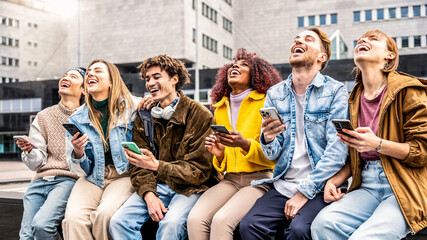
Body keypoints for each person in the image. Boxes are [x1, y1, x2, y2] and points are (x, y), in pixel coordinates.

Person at [311, 30, 427, 239]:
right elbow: (356, 153)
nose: (363, 40)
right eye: (361, 39)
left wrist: (378, 144)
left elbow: (422, 152)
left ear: (389, 55)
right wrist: (335, 180)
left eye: (373, 39)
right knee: (323, 225)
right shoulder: (353, 97)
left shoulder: (409, 90)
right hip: (367, 184)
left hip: (405, 184)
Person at [239, 27, 349, 240]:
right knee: (250, 225)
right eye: (296, 39)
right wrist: (268, 138)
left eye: (308, 39)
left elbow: (337, 152)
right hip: (283, 183)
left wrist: (304, 192)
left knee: (299, 230)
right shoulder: (275, 93)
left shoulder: (335, 91)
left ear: (322, 57)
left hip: (321, 184)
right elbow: (272, 154)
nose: (298, 41)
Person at [109, 54, 216, 240]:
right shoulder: (145, 115)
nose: (150, 83)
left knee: (171, 225)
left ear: (175, 79)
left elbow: (200, 171)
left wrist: (157, 166)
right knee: (118, 222)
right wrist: (149, 195)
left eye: (157, 77)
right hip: (156, 186)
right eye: (147, 79)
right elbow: (137, 165)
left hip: (190, 188)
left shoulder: (201, 115)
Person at [187, 48, 282, 240]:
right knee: (195, 219)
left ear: (257, 75)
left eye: (243, 64)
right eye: (233, 64)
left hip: (260, 179)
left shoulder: (265, 103)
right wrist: (219, 154)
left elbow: (275, 154)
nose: (235, 66)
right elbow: (223, 163)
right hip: (229, 179)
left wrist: (245, 144)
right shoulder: (220, 107)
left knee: (222, 221)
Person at [62, 59, 141, 240]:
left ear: (111, 80)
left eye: (98, 71)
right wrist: (78, 153)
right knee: (72, 220)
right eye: (89, 72)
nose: (90, 74)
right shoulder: (77, 118)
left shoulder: (134, 107)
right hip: (92, 176)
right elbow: (76, 169)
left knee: (104, 216)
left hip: (124, 174)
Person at [17, 68, 85, 240]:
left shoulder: (89, 117)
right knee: (25, 236)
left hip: (68, 180)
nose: (65, 78)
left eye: (73, 76)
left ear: (84, 89)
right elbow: (36, 164)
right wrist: (31, 150)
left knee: (42, 225)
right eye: (64, 75)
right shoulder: (43, 116)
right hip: (39, 181)